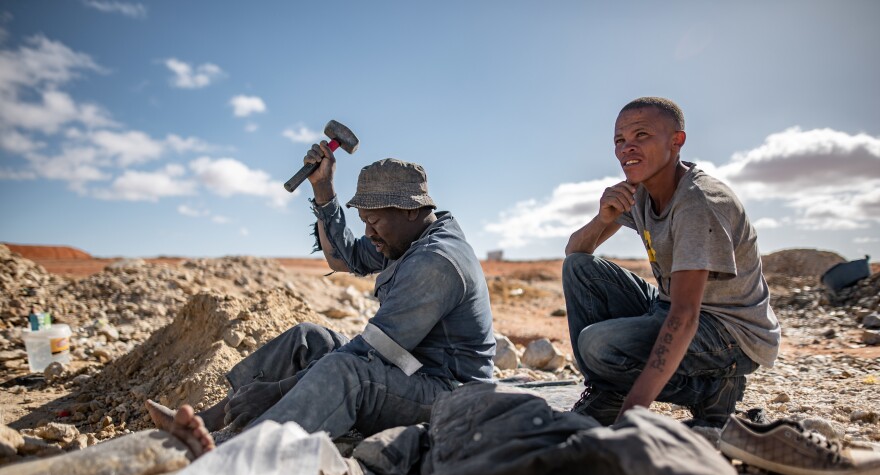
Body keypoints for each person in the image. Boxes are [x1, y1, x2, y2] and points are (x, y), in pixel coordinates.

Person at [148, 144, 495, 455]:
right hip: (414, 372)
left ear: (409, 210)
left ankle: (236, 455)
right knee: (309, 338)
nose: (369, 233)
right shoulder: (408, 240)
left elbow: (374, 351)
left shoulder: (435, 261)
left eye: (373, 221)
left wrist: (277, 391)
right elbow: (343, 259)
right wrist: (323, 188)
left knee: (346, 371)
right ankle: (206, 424)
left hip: (450, 395)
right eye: (364, 222)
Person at [563, 97, 780, 428]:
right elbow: (575, 250)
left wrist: (630, 421)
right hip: (675, 308)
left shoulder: (698, 203)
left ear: (676, 141)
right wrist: (602, 217)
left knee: (598, 345)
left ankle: (710, 390)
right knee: (579, 269)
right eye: (620, 141)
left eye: (641, 136)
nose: (627, 149)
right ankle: (608, 393)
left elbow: (685, 315)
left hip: (730, 332)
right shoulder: (640, 191)